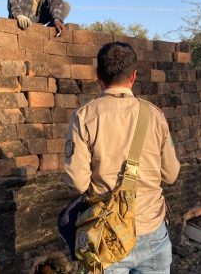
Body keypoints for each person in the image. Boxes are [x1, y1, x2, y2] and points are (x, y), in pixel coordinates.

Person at [64, 42, 181, 273]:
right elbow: (171, 175)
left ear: (98, 76)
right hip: (153, 231)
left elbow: (77, 183)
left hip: (107, 237)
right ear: (134, 76)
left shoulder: (84, 117)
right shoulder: (155, 115)